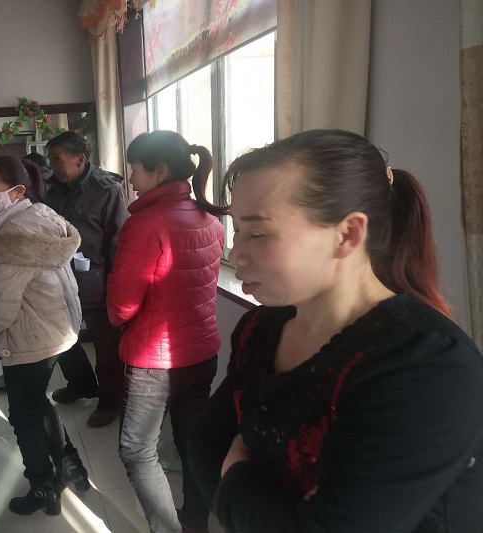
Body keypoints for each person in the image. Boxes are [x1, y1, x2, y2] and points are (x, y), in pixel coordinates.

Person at [188, 130, 483, 532]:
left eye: (257, 233)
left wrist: (237, 475)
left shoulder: (426, 364)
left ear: (348, 234)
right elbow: (206, 445)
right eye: (237, 231)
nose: (236, 253)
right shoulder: (261, 328)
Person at [107, 131, 225, 533]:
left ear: (159, 170)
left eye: (135, 169)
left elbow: (121, 307)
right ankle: (195, 523)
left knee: (137, 451)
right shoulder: (208, 218)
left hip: (153, 360)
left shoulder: (145, 224)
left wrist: (119, 318)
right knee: (192, 443)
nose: (131, 178)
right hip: (201, 351)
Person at [0, 156, 90, 516]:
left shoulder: (12, 236)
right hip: (55, 327)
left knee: (24, 416)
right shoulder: (41, 215)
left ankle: (43, 488)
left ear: (17, 190)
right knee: (38, 403)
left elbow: (0, 304)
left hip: (28, 336)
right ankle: (69, 464)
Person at [44, 131, 129, 428]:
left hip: (96, 283)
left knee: (106, 348)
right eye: (50, 159)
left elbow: (119, 241)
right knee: (59, 339)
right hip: (57, 278)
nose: (52, 165)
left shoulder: (106, 189)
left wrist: (117, 287)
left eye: (57, 159)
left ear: (79, 160)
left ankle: (110, 401)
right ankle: (81, 383)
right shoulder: (52, 188)